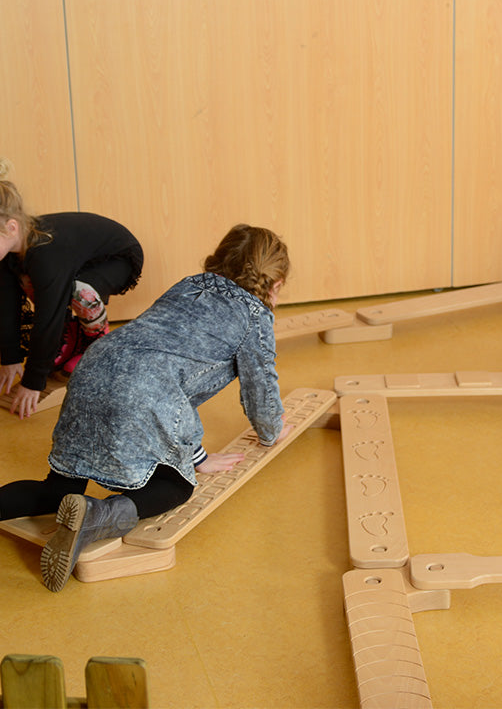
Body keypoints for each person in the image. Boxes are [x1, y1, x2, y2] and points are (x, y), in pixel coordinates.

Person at [0, 223, 291, 592]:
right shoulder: (256, 318)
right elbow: (260, 386)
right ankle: (96, 514)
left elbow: (163, 353)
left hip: (96, 366)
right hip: (144, 389)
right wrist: (265, 433)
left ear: (218, 261)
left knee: (56, 489)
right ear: (275, 284)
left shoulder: (188, 284)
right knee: (177, 484)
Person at [0, 158, 144, 418]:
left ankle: (95, 348)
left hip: (116, 258)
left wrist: (34, 381)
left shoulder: (45, 255)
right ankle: (73, 338)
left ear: (11, 228)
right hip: (76, 260)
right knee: (27, 281)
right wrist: (9, 358)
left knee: (80, 291)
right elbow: (6, 305)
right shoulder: (8, 252)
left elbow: (48, 317)